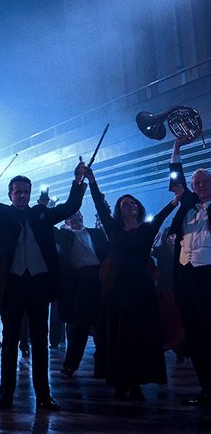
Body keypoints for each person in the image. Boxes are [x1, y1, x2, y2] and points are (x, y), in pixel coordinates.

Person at [0, 161, 85, 411]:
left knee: (40, 341)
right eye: (18, 192)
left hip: (39, 283)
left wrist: (78, 181)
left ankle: (43, 395)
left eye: (25, 192)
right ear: (10, 194)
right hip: (12, 284)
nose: (22, 195)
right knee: (9, 342)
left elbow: (71, 206)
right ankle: (5, 394)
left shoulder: (40, 213)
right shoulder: (1, 212)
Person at [84, 165, 179, 400]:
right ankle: (119, 379)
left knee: (140, 334)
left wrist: (175, 201)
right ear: (119, 210)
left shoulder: (147, 229)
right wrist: (92, 181)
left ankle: (135, 381)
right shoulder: (113, 228)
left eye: (133, 202)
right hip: (116, 286)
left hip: (140, 287)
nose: (130, 205)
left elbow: (162, 216)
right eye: (125, 203)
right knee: (119, 334)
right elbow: (99, 204)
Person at [167, 135, 211, 405]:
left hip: (209, 275)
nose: (201, 186)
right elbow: (176, 180)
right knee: (195, 335)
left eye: (205, 182)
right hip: (187, 277)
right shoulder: (188, 207)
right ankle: (206, 387)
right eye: (197, 184)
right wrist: (176, 148)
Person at [56, 211, 108, 378]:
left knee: (102, 323)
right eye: (73, 217)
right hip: (79, 281)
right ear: (67, 221)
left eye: (79, 215)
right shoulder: (65, 235)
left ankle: (103, 364)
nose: (78, 218)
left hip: (100, 278)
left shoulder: (96, 233)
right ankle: (70, 365)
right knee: (79, 325)